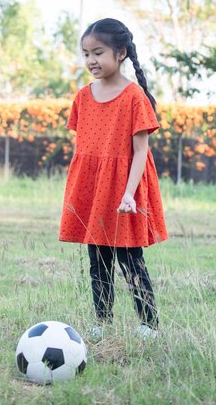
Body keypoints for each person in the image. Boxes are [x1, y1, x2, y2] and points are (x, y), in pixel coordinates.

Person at [59, 18, 168, 341]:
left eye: (98, 52)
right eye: (86, 53)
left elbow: (140, 152)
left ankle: (148, 324)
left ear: (120, 53)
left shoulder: (134, 97)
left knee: (130, 259)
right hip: (94, 189)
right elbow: (87, 151)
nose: (91, 60)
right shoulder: (83, 97)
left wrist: (129, 193)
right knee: (98, 260)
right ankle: (103, 321)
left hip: (125, 189)